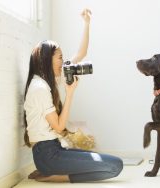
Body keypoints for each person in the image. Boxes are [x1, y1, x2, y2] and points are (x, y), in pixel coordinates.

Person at [23, 9, 123, 183]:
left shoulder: (48, 79)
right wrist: (70, 94)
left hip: (53, 149)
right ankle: (52, 176)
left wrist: (86, 23)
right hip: (47, 155)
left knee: (106, 161)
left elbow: (81, 54)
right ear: (47, 60)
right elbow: (60, 127)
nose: (64, 61)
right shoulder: (39, 88)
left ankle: (49, 173)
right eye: (60, 57)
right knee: (114, 166)